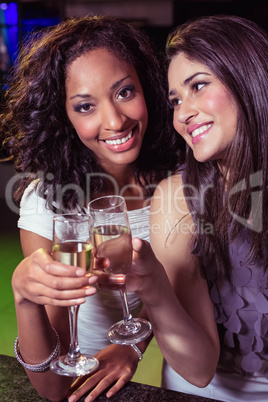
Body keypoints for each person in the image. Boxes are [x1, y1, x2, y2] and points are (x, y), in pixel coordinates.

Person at [0, 15, 183, 402]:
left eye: (124, 92)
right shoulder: (47, 203)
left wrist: (132, 345)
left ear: (146, 88)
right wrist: (24, 297)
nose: (115, 121)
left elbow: (181, 288)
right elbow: (53, 388)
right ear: (62, 116)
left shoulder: (178, 183)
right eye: (85, 106)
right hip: (88, 386)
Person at [129, 14, 268, 402]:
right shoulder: (177, 199)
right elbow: (198, 368)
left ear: (248, 79)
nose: (183, 113)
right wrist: (154, 288)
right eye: (176, 100)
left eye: (199, 86)